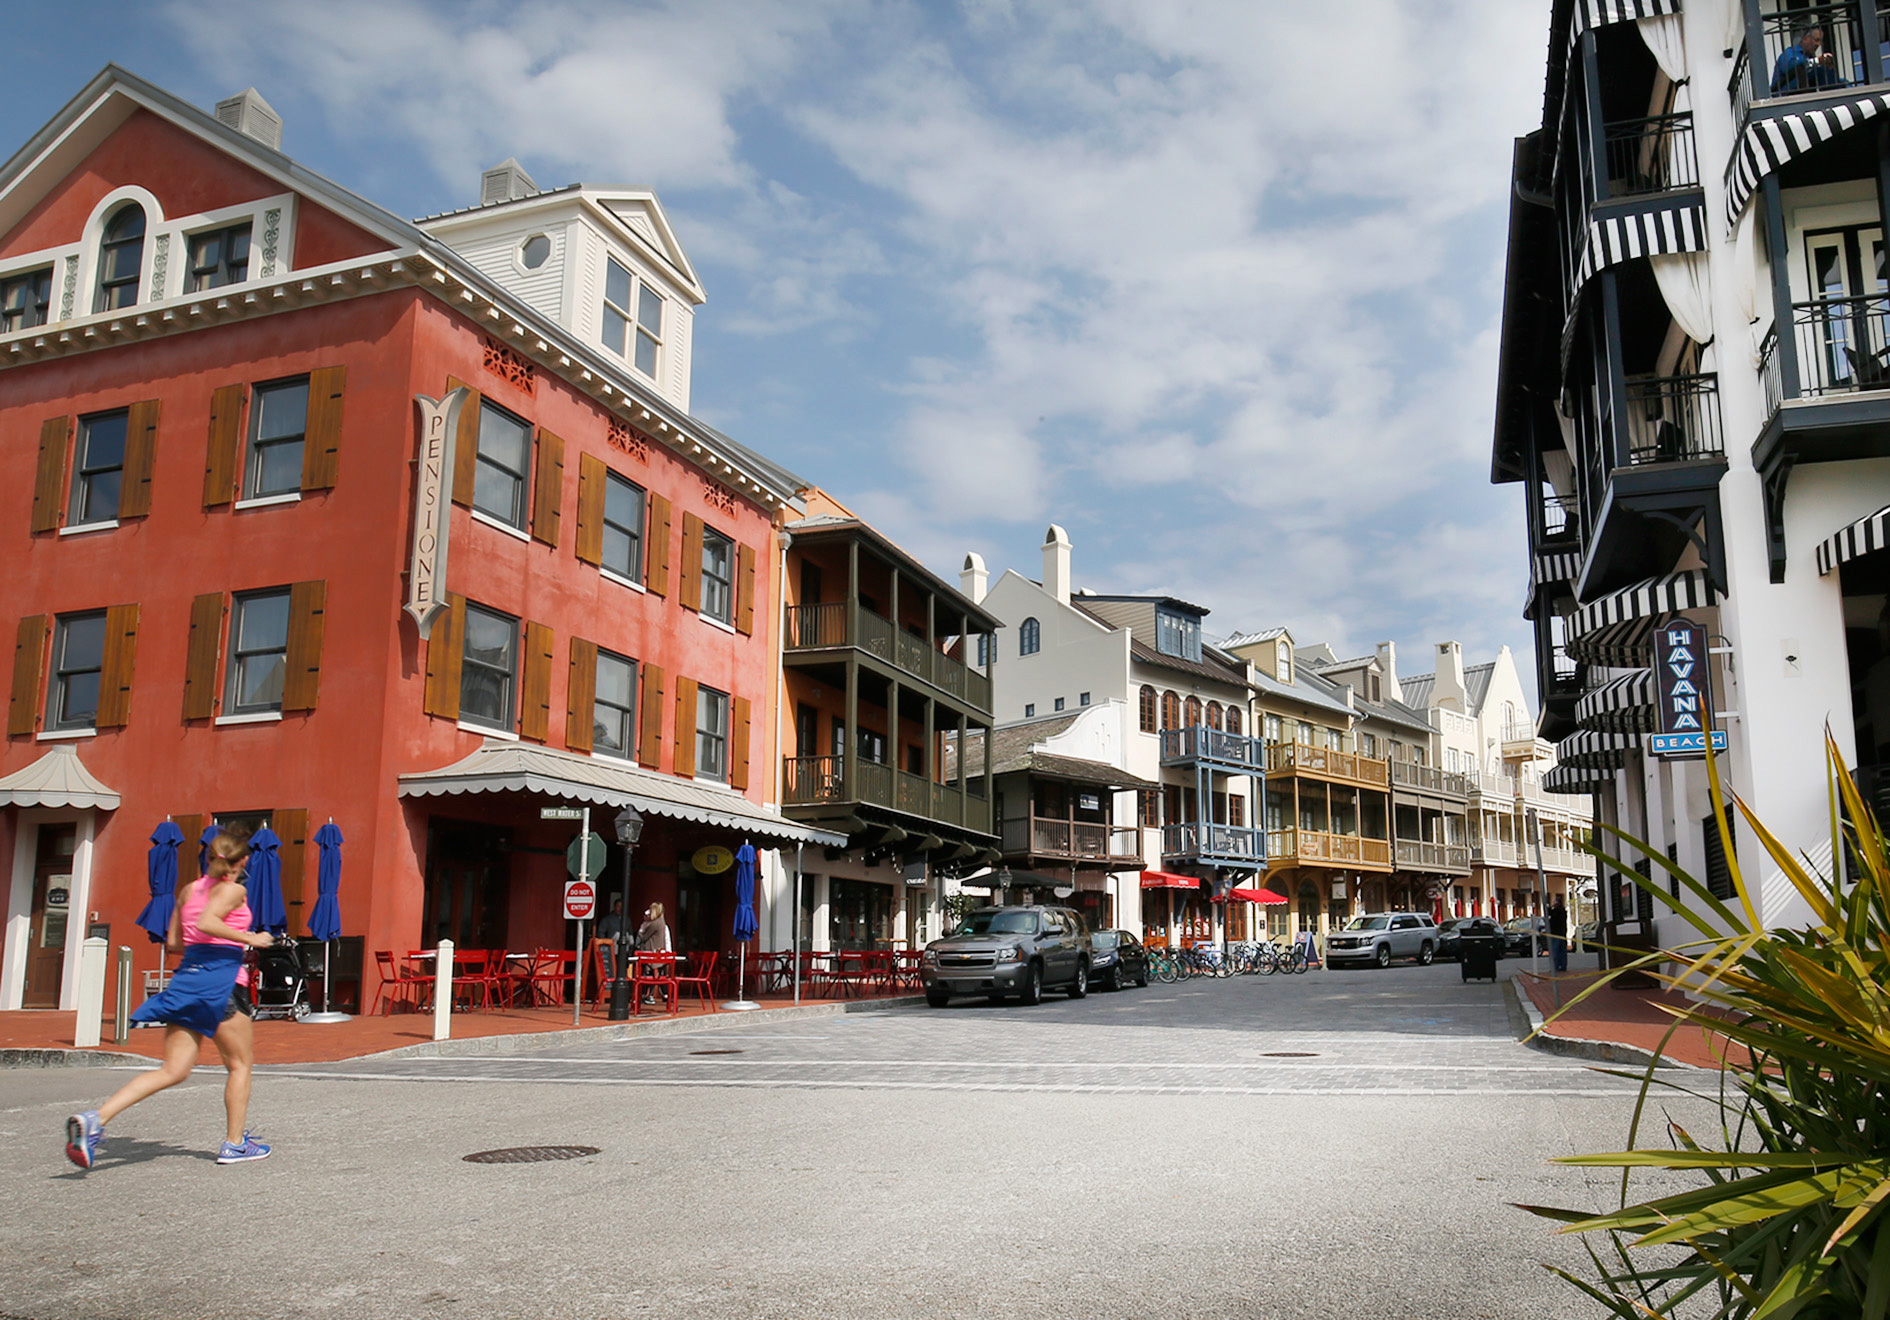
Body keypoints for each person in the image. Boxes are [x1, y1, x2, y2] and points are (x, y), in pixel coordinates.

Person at [65, 834, 274, 1169]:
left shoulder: (189, 891)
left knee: (172, 1070)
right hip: (220, 984)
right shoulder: (234, 891)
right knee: (239, 1064)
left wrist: (207, 939)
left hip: (186, 980)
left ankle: (95, 1119)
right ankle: (235, 1144)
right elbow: (208, 922)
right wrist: (251, 938)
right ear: (240, 863)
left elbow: (175, 942)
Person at [1772, 24, 1846, 96]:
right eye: (1816, 40)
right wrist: (1817, 61)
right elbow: (1792, 67)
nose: (1819, 44)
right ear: (1805, 39)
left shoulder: (1809, 57)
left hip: (1803, 94)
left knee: (1842, 81)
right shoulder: (1790, 52)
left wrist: (1830, 68)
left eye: (1820, 41)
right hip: (1785, 96)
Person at [1548, 898, 1569, 974]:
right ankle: (1563, 966)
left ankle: (1556, 966)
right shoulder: (1563, 911)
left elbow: (1549, 913)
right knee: (1562, 951)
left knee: (1555, 951)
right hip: (1562, 934)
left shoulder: (1557, 911)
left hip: (1556, 934)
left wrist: (1550, 907)